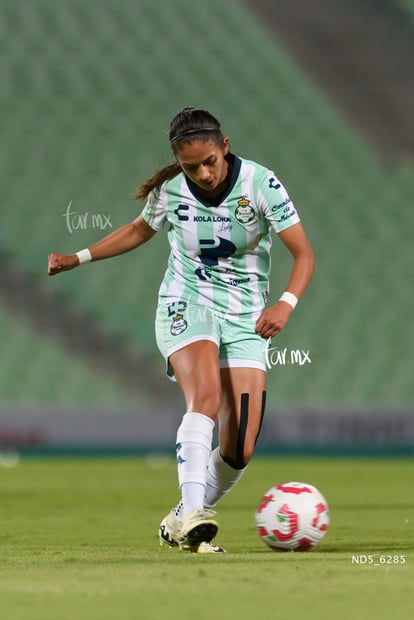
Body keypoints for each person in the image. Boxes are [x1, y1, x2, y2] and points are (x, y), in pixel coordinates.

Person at [48, 107, 315, 554]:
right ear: (178, 161)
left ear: (224, 146)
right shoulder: (171, 191)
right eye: (192, 167)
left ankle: (180, 518)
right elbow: (138, 231)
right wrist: (78, 257)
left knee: (239, 447)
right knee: (205, 397)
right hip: (185, 304)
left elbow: (303, 254)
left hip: (247, 316)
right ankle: (195, 514)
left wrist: (284, 305)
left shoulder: (260, 184)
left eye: (210, 161)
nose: (204, 173)